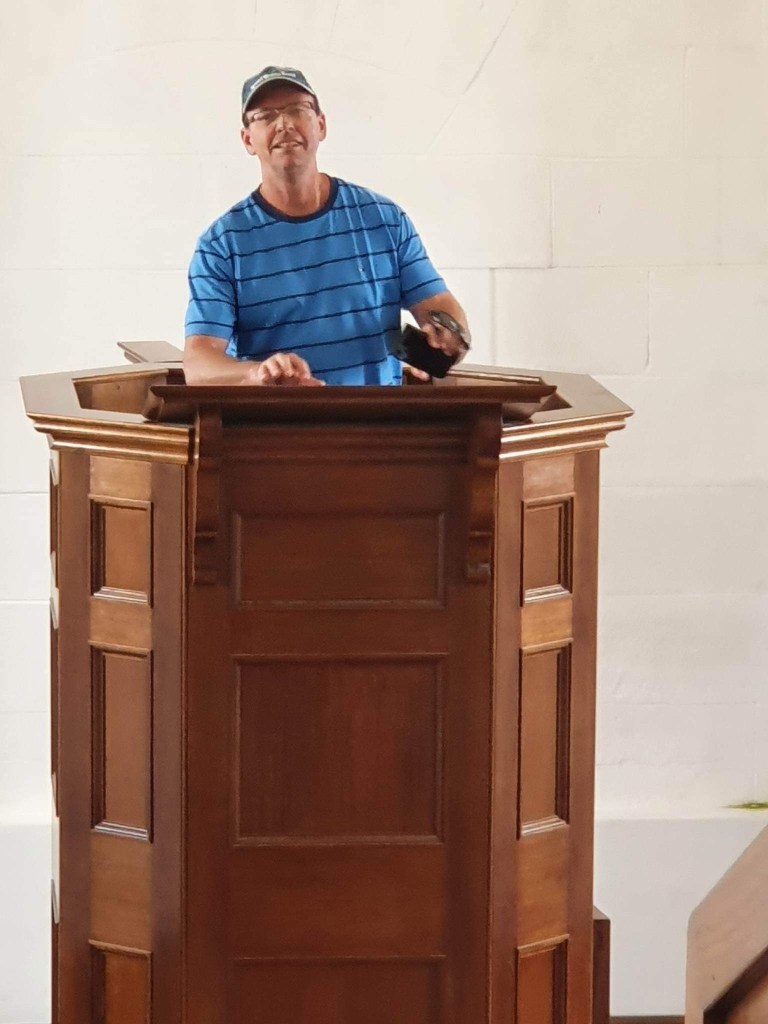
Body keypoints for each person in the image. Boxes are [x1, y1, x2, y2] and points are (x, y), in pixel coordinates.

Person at [184, 65, 470, 387]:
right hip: (273, 419)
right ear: (247, 139)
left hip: (378, 416)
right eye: (265, 115)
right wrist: (258, 373)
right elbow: (198, 364)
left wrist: (450, 334)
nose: (284, 124)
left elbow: (440, 308)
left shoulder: (384, 219)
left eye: (297, 109)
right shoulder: (222, 245)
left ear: (321, 125)